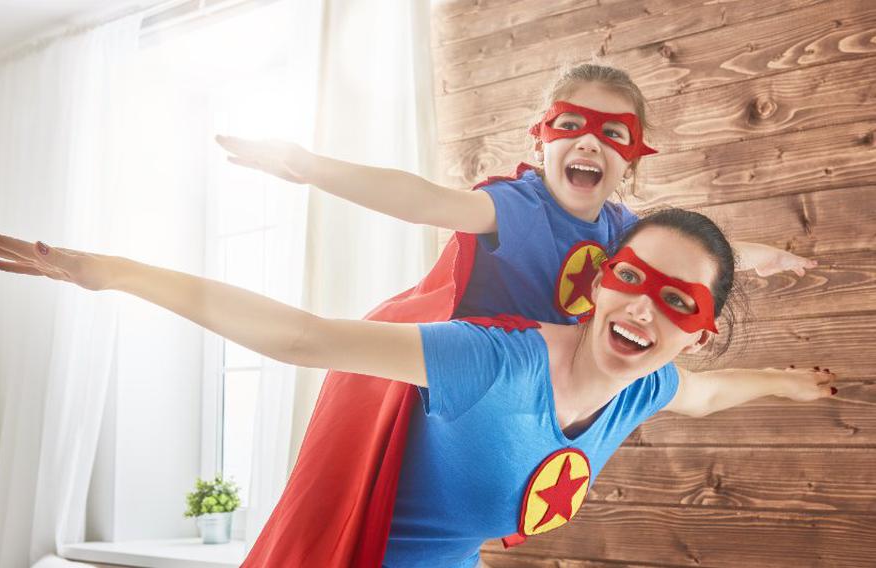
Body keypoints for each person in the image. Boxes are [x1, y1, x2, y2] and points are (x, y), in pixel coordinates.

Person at [0, 209, 835, 568]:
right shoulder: (493, 362)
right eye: (634, 278)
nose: (645, 310)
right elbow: (303, 337)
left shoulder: (645, 388)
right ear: (601, 279)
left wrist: (799, 386)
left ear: (699, 329)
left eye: (677, 302)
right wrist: (117, 272)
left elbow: (715, 395)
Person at [212, 64, 817, 565]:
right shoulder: (516, 209)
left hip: (542, 397)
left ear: (631, 161)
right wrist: (310, 167)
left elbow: (691, 265)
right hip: (470, 379)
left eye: (613, 134)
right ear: (541, 139)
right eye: (571, 124)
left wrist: (762, 259)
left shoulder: (624, 231)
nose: (589, 142)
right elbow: (424, 202)